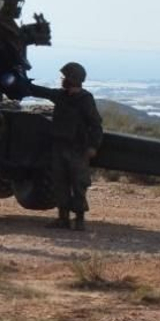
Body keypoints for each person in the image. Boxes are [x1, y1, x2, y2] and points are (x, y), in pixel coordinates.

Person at [24, 62, 104, 230]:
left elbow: (96, 124)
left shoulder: (85, 99)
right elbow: (40, 91)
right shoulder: (61, 96)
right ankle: (63, 218)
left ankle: (79, 219)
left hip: (77, 148)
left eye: (65, 77)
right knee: (59, 182)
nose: (62, 80)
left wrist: (93, 147)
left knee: (79, 184)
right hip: (59, 146)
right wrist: (24, 83)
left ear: (73, 79)